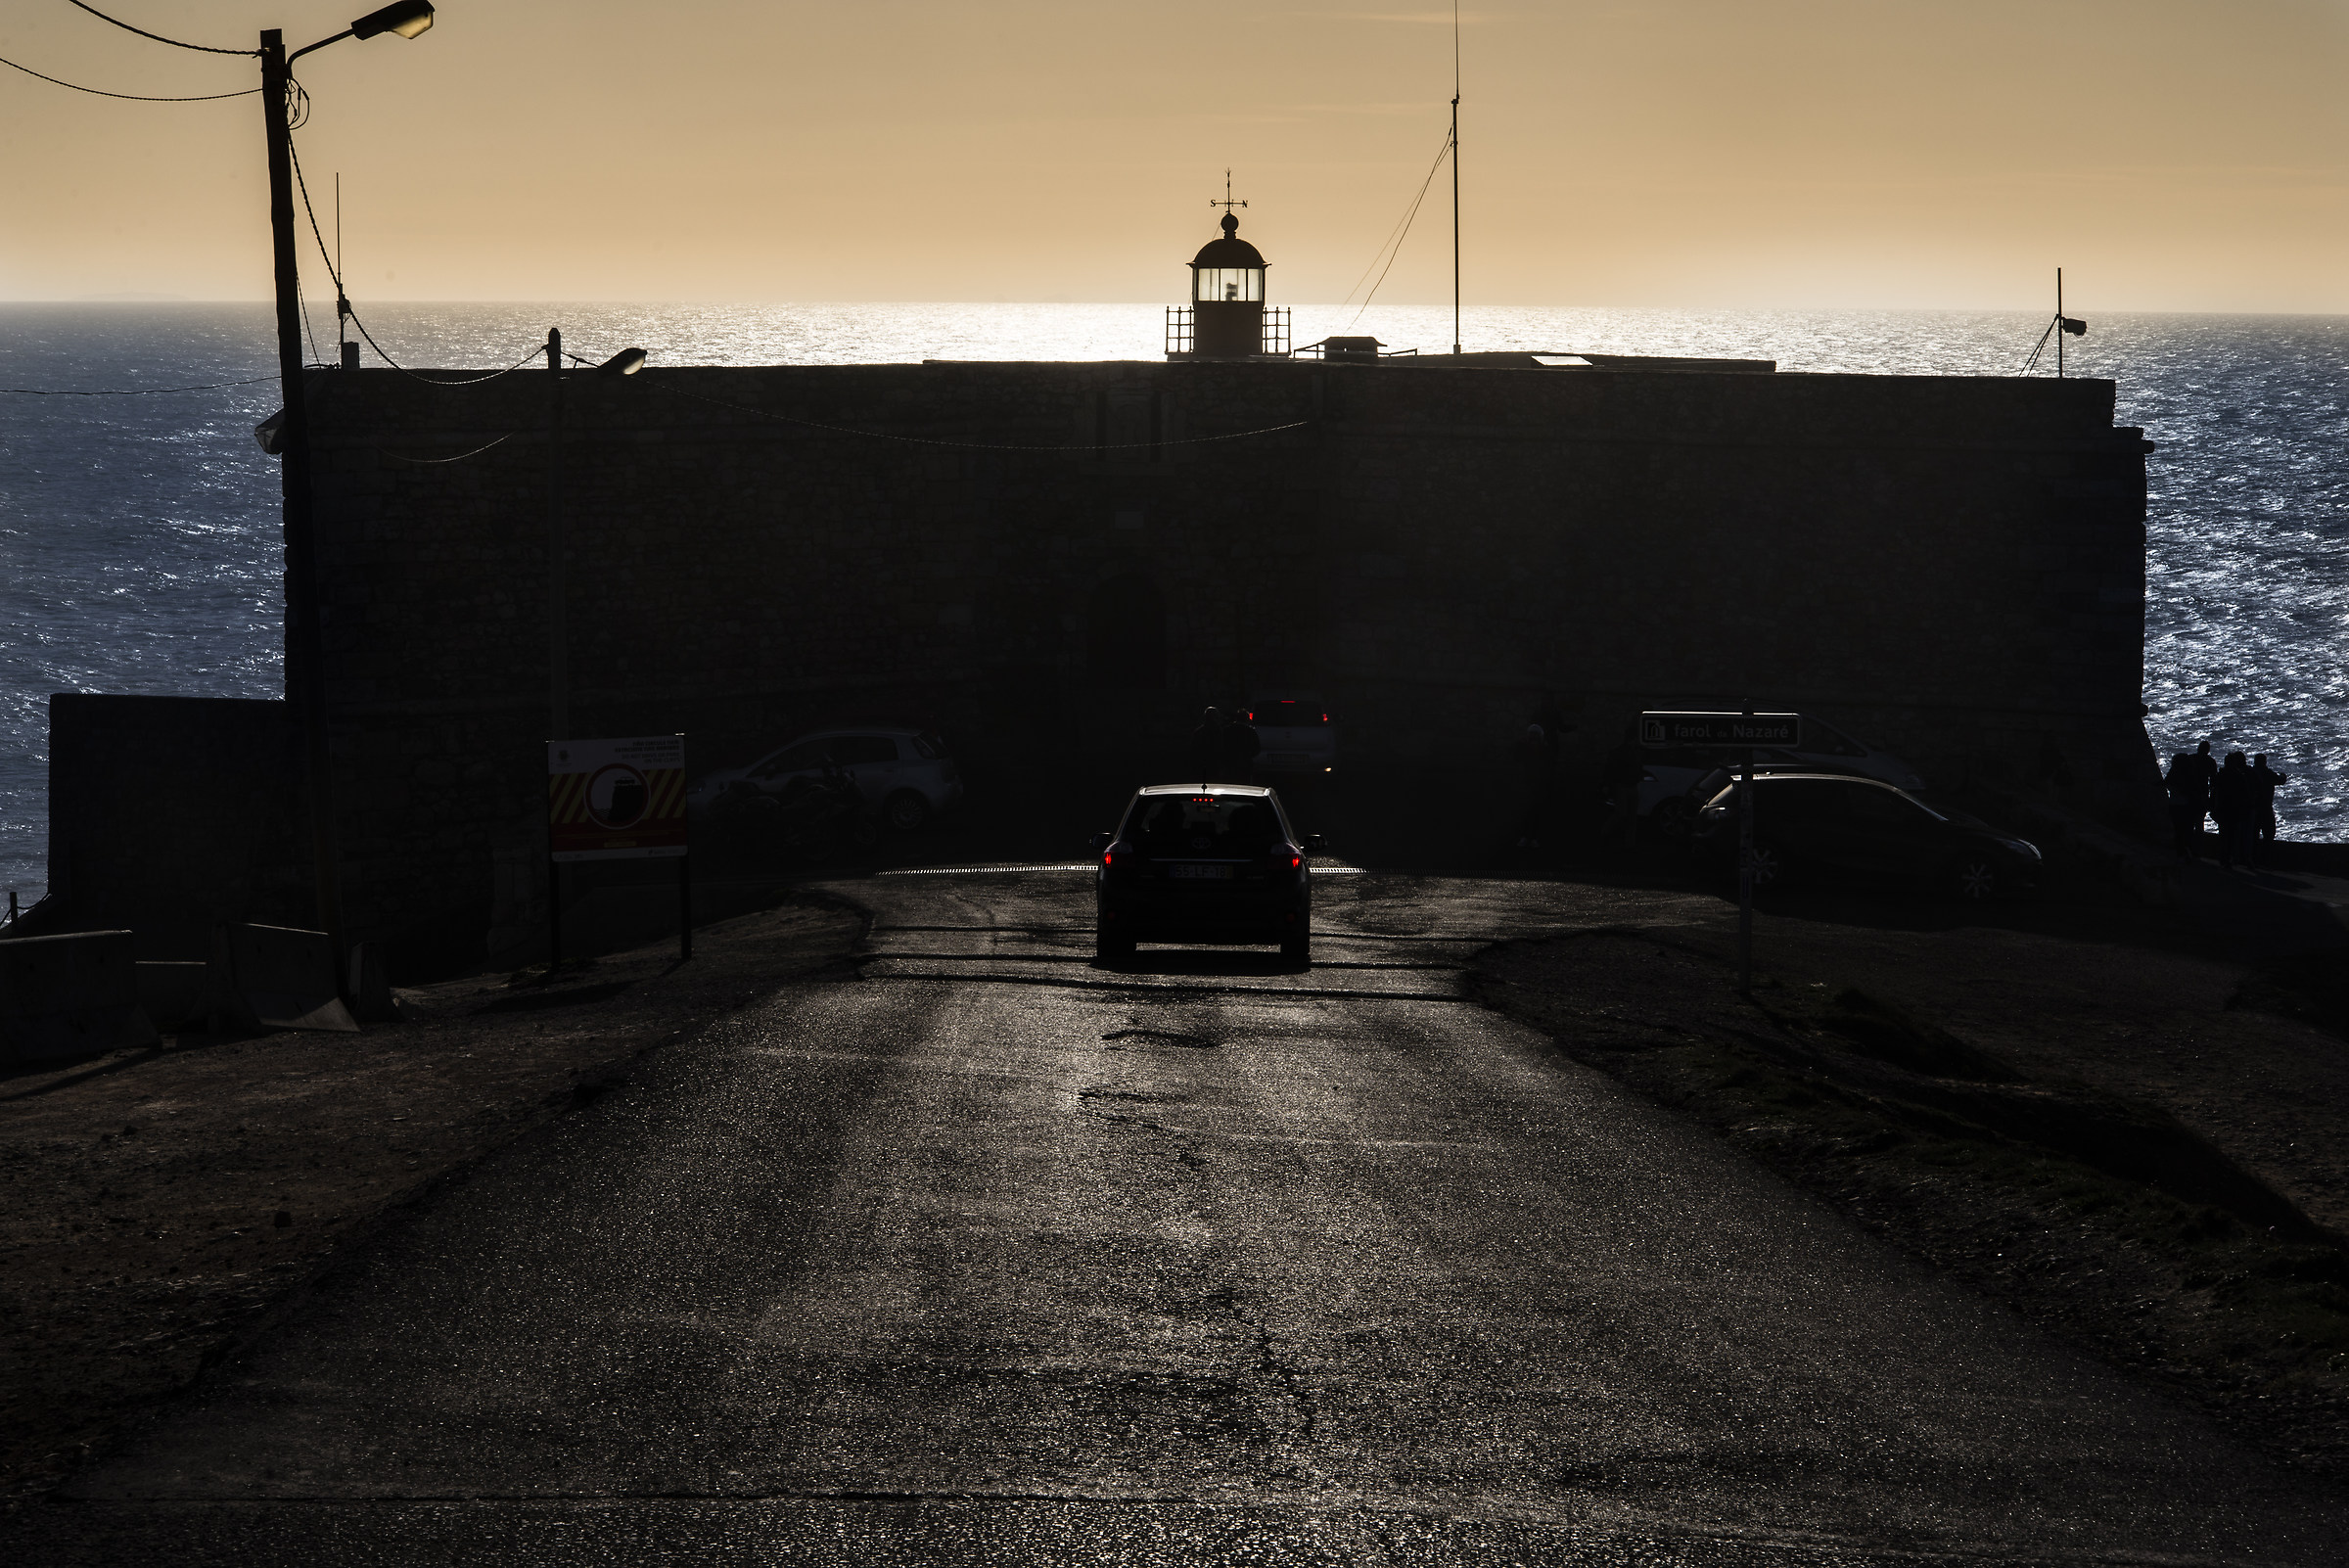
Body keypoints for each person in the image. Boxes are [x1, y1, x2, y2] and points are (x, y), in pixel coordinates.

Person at [2210, 750, 2253, 870]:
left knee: (2224, 836)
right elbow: (2245, 794)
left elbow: (2214, 792)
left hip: (2223, 809)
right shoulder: (2239, 776)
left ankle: (2225, 858)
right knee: (2233, 836)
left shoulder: (2221, 775)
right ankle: (2232, 858)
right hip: (2235, 810)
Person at [1600, 724, 1643, 845]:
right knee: (1623, 813)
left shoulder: (1630, 752)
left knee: (1629, 815)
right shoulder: (1624, 752)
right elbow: (1611, 770)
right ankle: (1608, 834)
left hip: (1628, 785)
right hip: (1624, 786)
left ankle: (1626, 841)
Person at [1513, 722, 1552, 848]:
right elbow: (1516, 757)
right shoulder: (1526, 749)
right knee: (1526, 811)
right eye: (1532, 738)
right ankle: (1525, 836)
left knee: (1536, 811)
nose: (1533, 741)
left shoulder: (1544, 750)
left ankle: (1534, 837)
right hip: (1528, 783)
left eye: (1536, 738)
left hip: (1539, 784)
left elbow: (1548, 764)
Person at [2249, 753, 2291, 865]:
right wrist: (2283, 775)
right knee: (2269, 834)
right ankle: (2265, 859)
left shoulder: (2250, 773)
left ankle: (2253, 859)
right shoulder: (2268, 773)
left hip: (2253, 808)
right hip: (2266, 808)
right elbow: (2281, 780)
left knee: (2253, 835)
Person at [2162, 752, 2201, 860]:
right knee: (2187, 829)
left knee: (2178, 830)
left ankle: (2180, 852)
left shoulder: (2173, 772)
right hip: (2187, 805)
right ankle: (2187, 850)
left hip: (2175, 804)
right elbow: (2195, 789)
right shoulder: (2191, 773)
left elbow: (2166, 782)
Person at [1219, 707, 1262, 785]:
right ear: (1247, 719)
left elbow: (1221, 746)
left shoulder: (1227, 730)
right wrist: (1248, 755)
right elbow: (1257, 748)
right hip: (1245, 764)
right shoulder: (1250, 731)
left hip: (1230, 764)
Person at [1188, 707, 1224, 782]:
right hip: (1214, 765)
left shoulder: (1199, 732)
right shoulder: (1219, 732)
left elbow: (1193, 750)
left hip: (1201, 765)